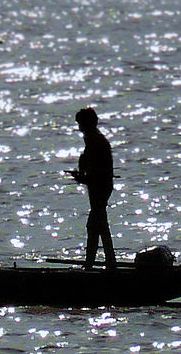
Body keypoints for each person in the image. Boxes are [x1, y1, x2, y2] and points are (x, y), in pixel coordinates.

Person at [66, 107, 117, 269]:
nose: (79, 127)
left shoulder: (95, 141)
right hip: (99, 186)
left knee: (97, 225)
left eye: (80, 123)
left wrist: (81, 178)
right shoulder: (94, 139)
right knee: (98, 225)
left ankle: (102, 264)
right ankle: (100, 263)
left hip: (100, 188)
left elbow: (97, 172)